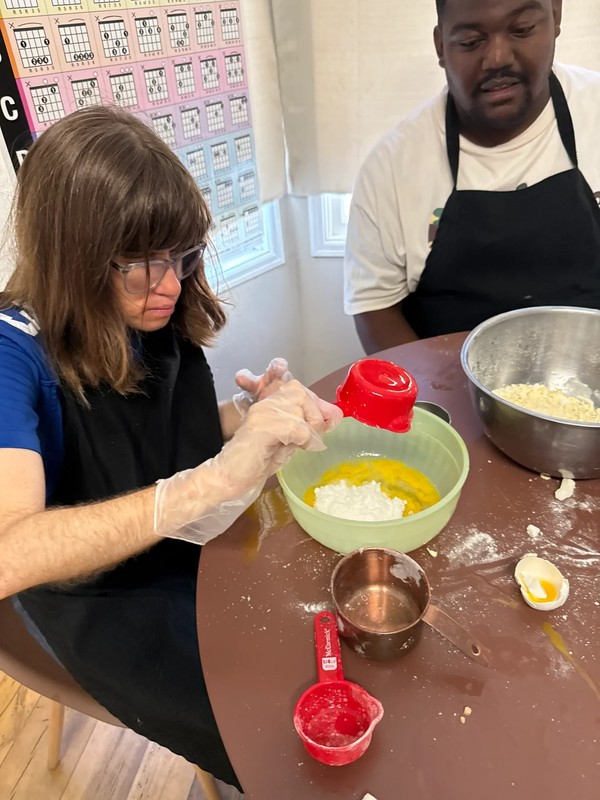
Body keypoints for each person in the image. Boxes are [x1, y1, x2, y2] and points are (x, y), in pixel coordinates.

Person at [0, 105, 342, 794]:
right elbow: (8, 552)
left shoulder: (151, 301)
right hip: (99, 596)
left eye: (184, 256)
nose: (172, 284)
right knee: (279, 725)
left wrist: (249, 416)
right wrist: (207, 486)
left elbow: (151, 440)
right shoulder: (14, 354)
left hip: (178, 540)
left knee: (320, 639)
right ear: (72, 258)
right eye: (141, 265)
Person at [344, 0, 600, 355]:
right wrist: (429, 400)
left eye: (521, 29)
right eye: (470, 42)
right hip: (450, 394)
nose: (497, 57)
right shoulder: (391, 167)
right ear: (440, 46)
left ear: (555, 16)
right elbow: (374, 307)